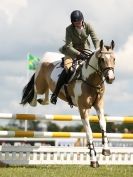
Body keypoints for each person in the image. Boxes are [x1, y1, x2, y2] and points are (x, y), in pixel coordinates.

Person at [50, 10, 99, 104]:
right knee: (69, 69)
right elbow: (69, 46)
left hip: (86, 50)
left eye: (79, 22)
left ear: (82, 20)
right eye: (75, 23)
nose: (78, 25)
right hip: (71, 52)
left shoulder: (88, 26)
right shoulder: (68, 29)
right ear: (72, 22)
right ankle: (55, 93)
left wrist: (97, 50)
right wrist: (79, 55)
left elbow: (95, 39)